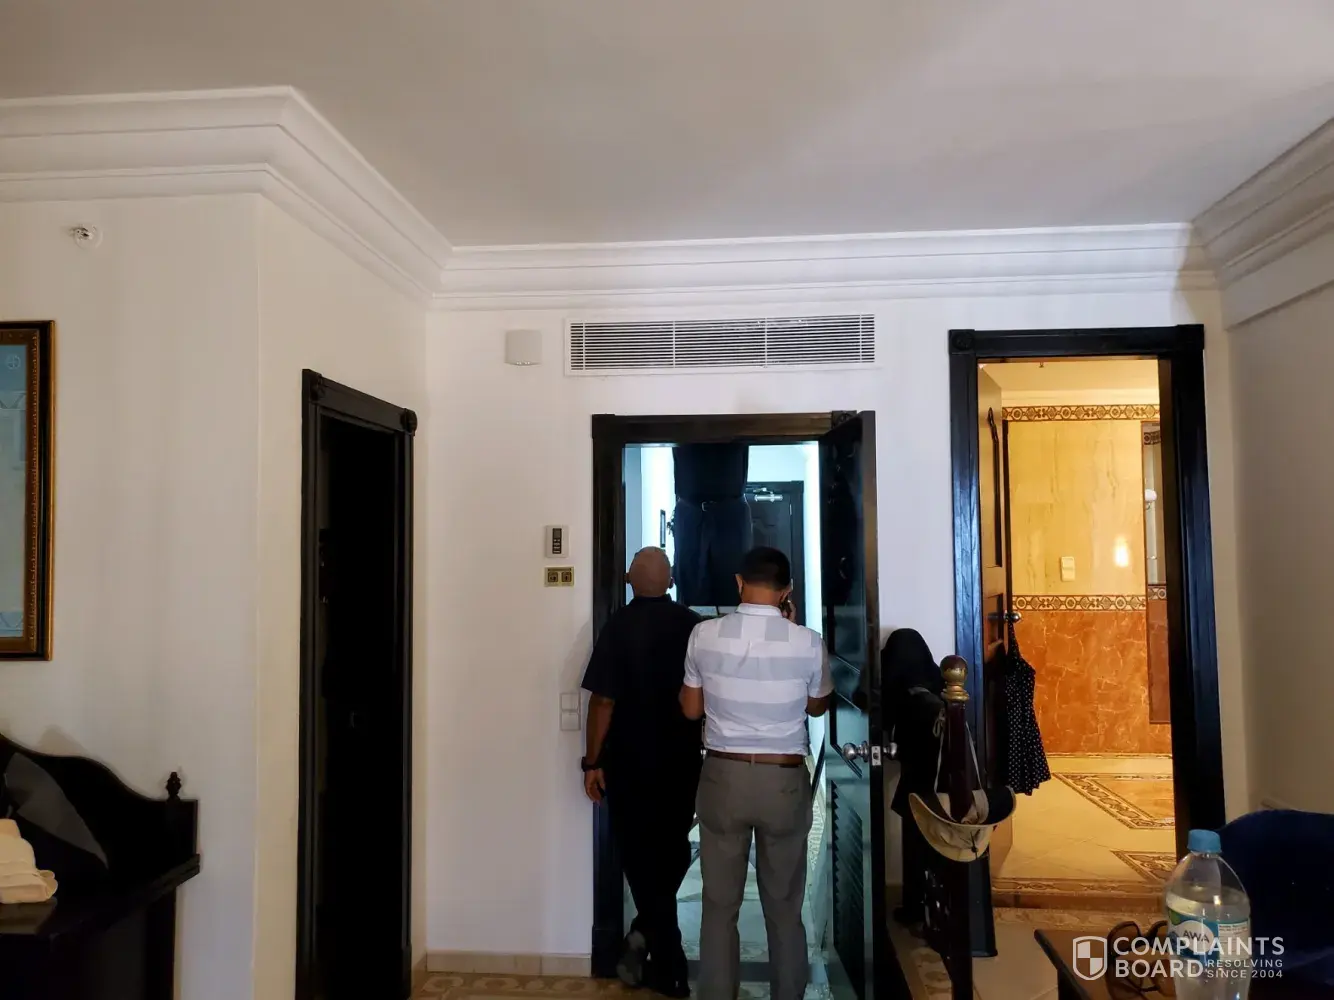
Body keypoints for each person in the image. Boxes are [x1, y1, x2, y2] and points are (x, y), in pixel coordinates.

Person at [679, 546, 831, 1000]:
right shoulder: (807, 641)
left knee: (718, 905)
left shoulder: (704, 635)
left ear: (739, 582)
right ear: (787, 591)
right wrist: (791, 630)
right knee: (784, 908)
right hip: (782, 780)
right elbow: (816, 706)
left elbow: (690, 710)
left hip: (723, 777)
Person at [581, 547, 702, 998]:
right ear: (670, 581)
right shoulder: (695, 628)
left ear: (629, 579)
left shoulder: (618, 626)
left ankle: (663, 958)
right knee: (673, 850)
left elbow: (603, 701)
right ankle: (658, 948)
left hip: (628, 762)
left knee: (637, 856)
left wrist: (592, 761)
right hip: (682, 761)